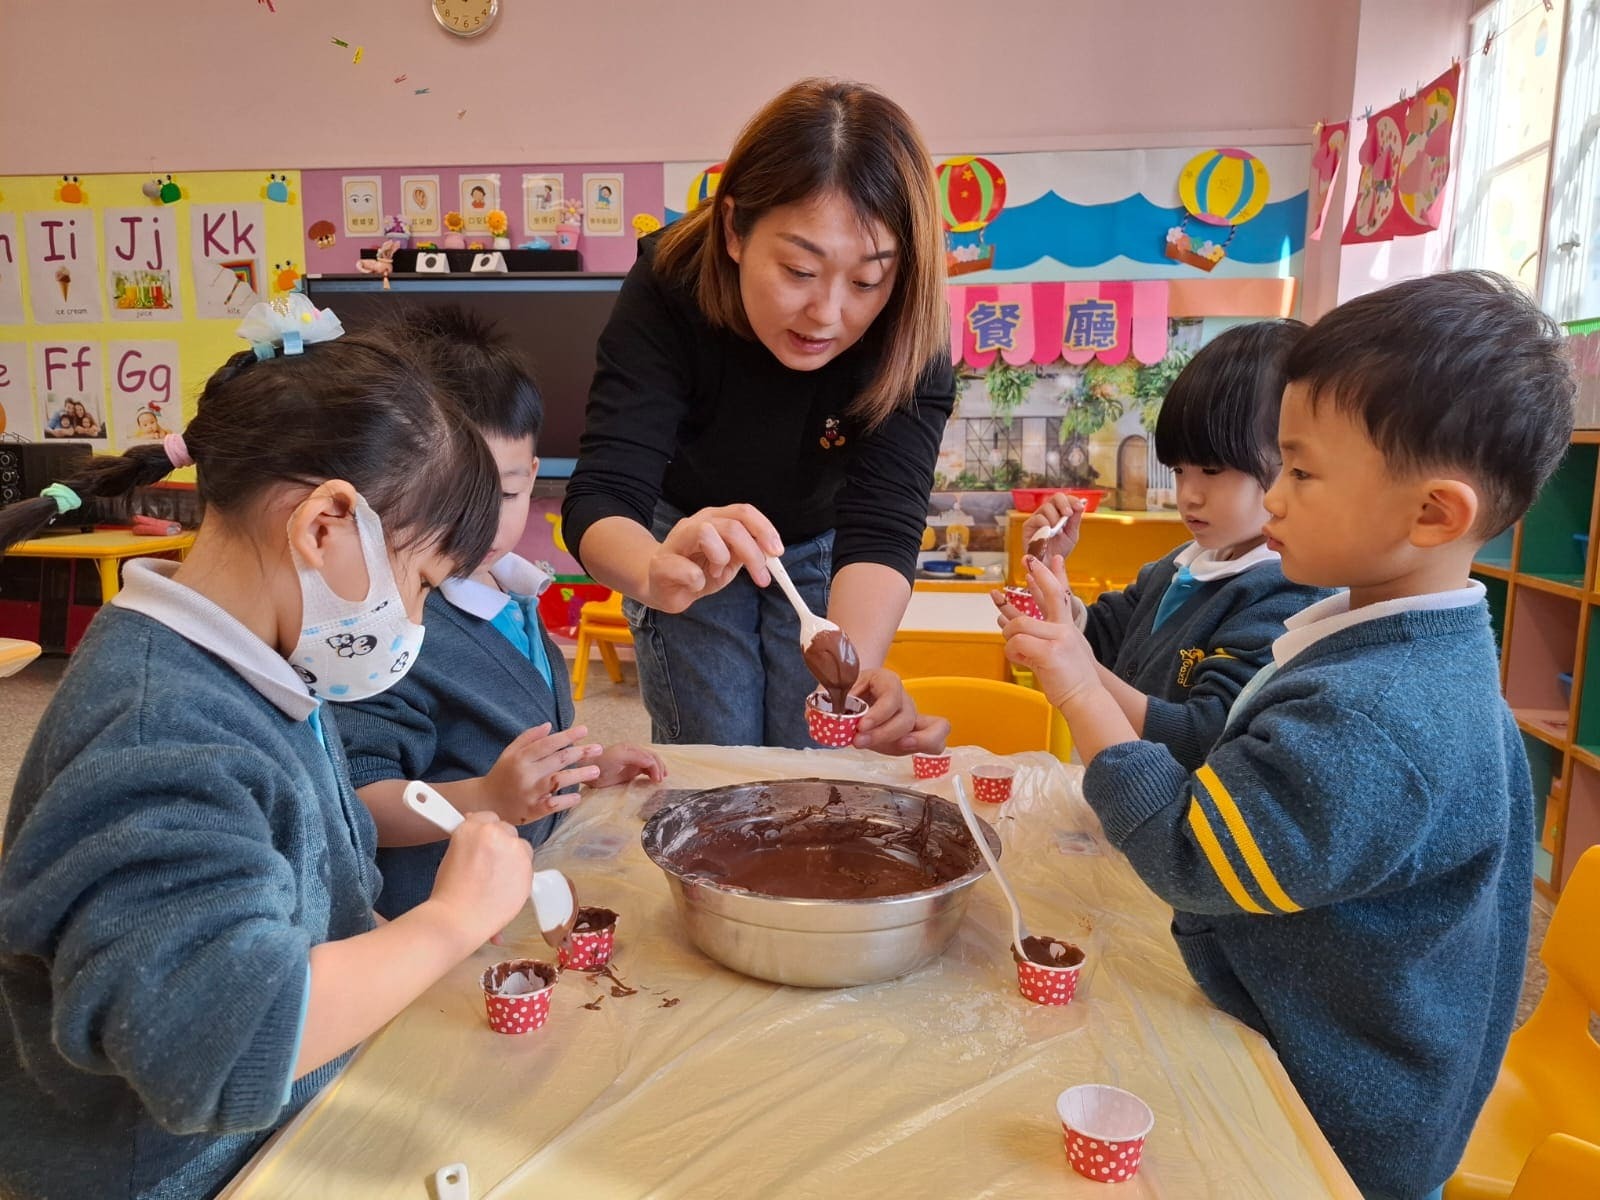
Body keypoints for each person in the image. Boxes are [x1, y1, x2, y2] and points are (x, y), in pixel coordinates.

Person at [999, 271, 1575, 1200]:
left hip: (1330, 1122)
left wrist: (1075, 685)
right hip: (1319, 1047)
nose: (1273, 499)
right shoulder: (1389, 649)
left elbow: (1193, 854)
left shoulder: (1379, 715)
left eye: (1301, 472)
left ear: (1433, 512)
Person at [0, 303, 536, 1199]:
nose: (413, 622)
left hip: (277, 1123)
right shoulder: (162, 732)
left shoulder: (258, 667)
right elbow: (212, 1047)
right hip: (181, 1174)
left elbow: (312, 894)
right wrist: (448, 922)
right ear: (324, 526)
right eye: (419, 583)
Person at [562, 78, 951, 751]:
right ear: (735, 229)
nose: (827, 314)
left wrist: (854, 675)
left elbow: (883, 525)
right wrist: (655, 570)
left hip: (824, 538)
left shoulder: (910, 330)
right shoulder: (672, 284)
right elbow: (604, 492)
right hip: (691, 537)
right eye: (799, 270)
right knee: (715, 751)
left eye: (867, 280)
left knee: (817, 743)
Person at [336, 307, 664, 918]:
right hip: (438, 916)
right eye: (454, 497)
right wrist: (485, 796)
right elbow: (359, 803)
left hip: (518, 886)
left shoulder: (514, 589)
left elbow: (510, 739)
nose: (482, 522)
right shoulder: (392, 630)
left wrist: (580, 771)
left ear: (532, 476)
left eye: (506, 493)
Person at [1018, 321, 1328, 768]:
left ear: (1292, 462)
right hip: (1120, 785)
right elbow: (1104, 636)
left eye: (1213, 471)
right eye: (1180, 471)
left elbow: (1203, 736)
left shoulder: (1285, 595)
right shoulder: (1180, 565)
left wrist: (1081, 674)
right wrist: (1053, 580)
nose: (1189, 496)